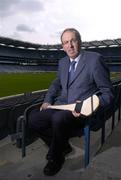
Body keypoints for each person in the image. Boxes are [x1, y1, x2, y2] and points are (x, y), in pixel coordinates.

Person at [28, 28, 114, 176]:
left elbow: (108, 94)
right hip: (61, 105)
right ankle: (63, 147)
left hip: (80, 110)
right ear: (63, 46)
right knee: (33, 118)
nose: (70, 45)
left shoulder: (94, 60)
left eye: (73, 40)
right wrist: (48, 100)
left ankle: (56, 158)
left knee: (58, 119)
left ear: (79, 41)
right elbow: (56, 84)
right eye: (66, 42)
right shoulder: (62, 62)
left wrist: (87, 106)